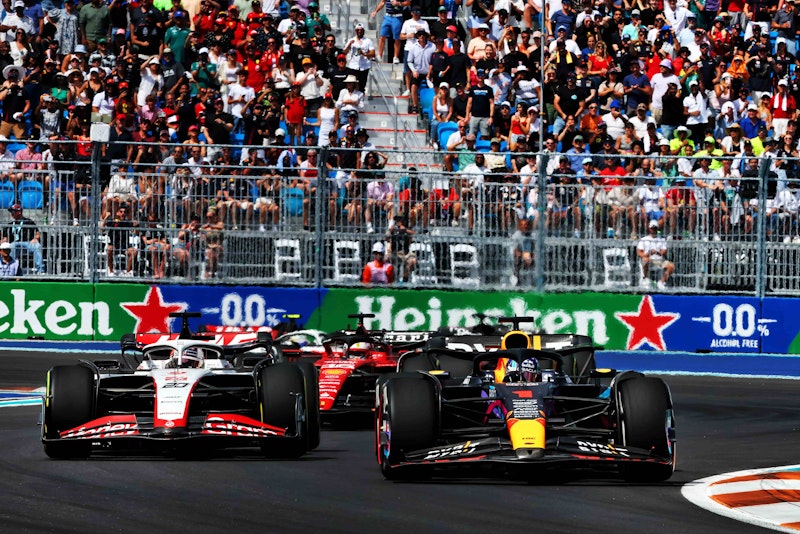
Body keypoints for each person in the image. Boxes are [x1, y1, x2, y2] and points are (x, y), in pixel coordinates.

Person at [4, 203, 43, 274]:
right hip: (14, 244)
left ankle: (41, 271)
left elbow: (37, 233)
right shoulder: (10, 224)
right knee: (12, 246)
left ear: (19, 212)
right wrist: (3, 242)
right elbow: (5, 237)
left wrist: (36, 238)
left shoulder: (28, 222)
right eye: (11, 212)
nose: (12, 214)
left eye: (13, 212)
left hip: (27, 243)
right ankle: (11, 270)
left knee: (37, 246)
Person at [637, 219, 675, 290]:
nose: (653, 230)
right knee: (645, 260)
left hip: (658, 261)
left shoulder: (661, 239)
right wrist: (649, 253)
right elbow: (639, 253)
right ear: (649, 228)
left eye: (655, 228)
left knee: (671, 266)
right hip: (649, 259)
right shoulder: (643, 239)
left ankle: (662, 281)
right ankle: (646, 278)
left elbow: (664, 251)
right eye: (652, 228)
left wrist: (657, 252)